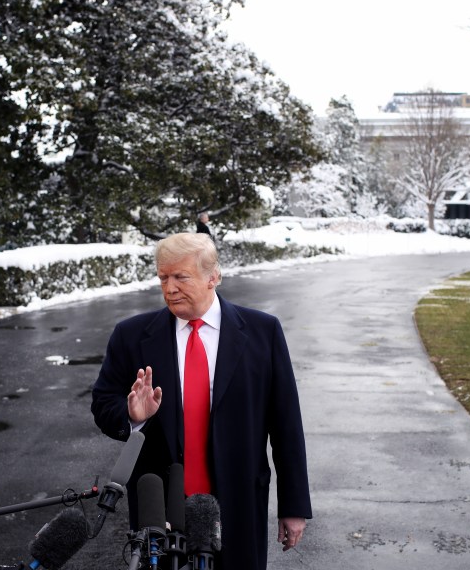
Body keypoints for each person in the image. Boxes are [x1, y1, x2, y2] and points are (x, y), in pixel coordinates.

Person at [91, 232, 311, 570]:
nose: (169, 288)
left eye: (181, 276)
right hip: (160, 512)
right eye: (163, 277)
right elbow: (103, 404)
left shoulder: (262, 332)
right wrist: (132, 415)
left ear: (214, 277)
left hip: (238, 504)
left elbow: (286, 425)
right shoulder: (131, 335)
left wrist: (293, 506)